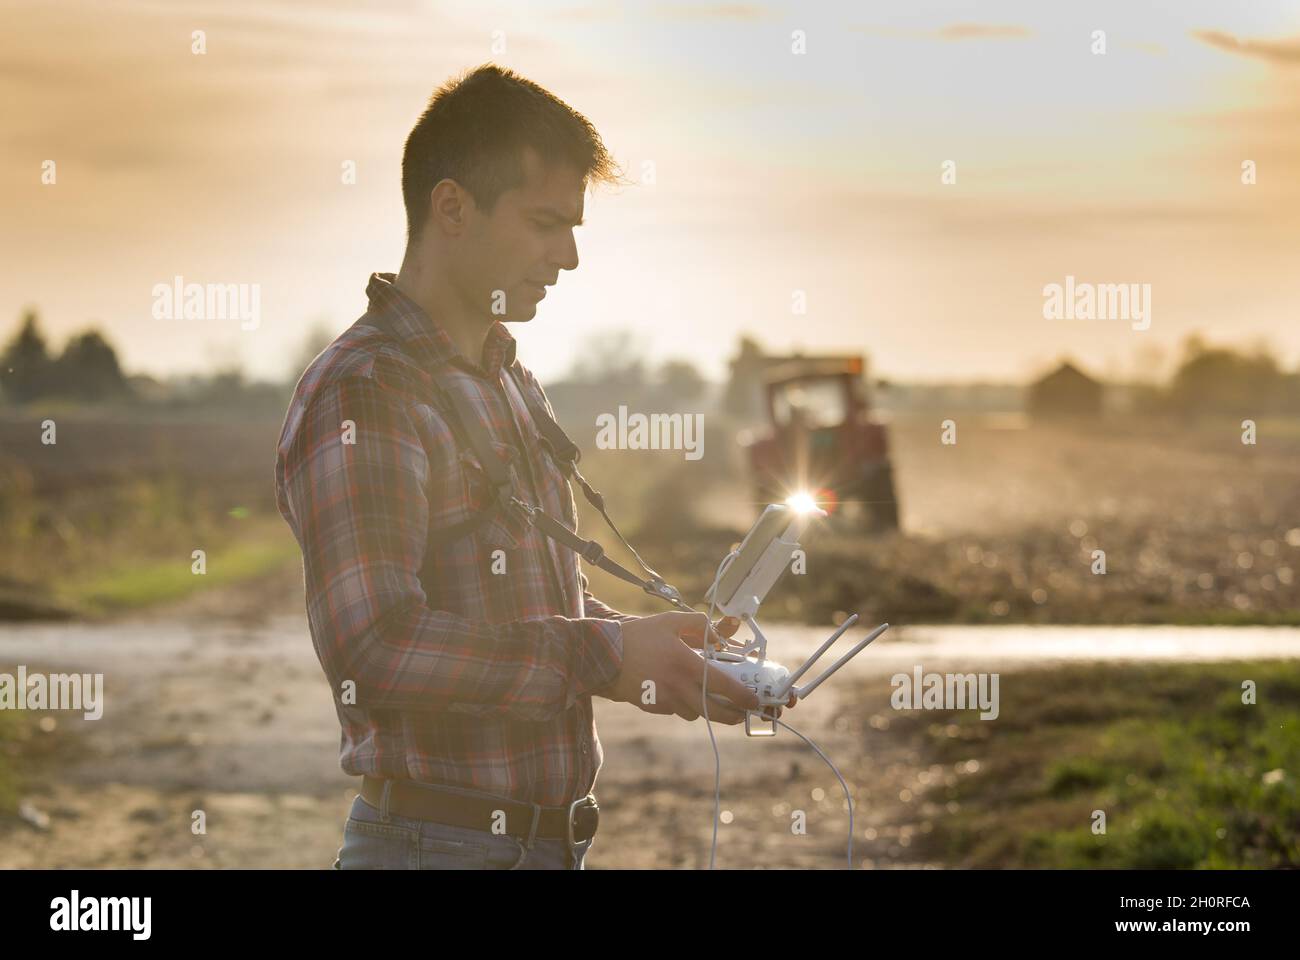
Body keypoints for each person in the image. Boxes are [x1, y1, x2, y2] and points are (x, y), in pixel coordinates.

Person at [274, 64, 790, 871]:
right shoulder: (366, 391)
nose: (572, 256)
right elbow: (375, 646)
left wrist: (653, 650)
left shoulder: (508, 379)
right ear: (451, 207)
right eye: (547, 222)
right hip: (436, 851)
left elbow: (516, 593)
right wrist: (603, 657)